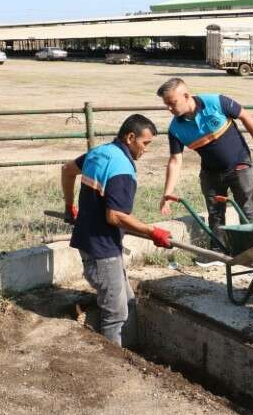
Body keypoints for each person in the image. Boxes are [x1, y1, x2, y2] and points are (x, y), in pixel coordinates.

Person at [60, 114, 173, 347]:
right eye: (145, 143)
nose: (146, 149)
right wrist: (152, 232)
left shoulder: (100, 153)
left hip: (90, 241)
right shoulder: (122, 170)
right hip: (103, 251)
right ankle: (118, 365)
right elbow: (115, 216)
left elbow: (67, 170)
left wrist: (69, 205)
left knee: (128, 301)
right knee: (116, 316)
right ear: (130, 137)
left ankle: (131, 352)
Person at [156, 78, 253, 246]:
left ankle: (251, 249)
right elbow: (175, 160)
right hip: (210, 173)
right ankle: (218, 251)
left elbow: (245, 117)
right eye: (167, 104)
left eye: (172, 103)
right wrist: (168, 193)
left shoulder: (216, 102)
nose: (169, 108)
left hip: (239, 164)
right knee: (215, 214)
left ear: (186, 96)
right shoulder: (175, 129)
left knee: (246, 209)